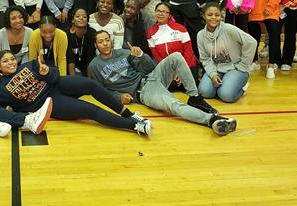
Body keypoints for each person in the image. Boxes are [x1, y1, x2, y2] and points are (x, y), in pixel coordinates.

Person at [88, 31, 237, 135]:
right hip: (144, 92)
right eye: (100, 42)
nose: (105, 44)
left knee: (176, 56)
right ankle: (212, 120)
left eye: (107, 40)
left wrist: (140, 55)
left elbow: (149, 68)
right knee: (174, 105)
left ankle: (194, 96)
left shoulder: (123, 52)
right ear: (95, 45)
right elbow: (101, 91)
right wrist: (119, 96)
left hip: (152, 77)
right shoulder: (94, 66)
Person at [0, 50, 151, 135]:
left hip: (58, 85)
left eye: (12, 58)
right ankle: (135, 126)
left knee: (90, 85)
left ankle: (129, 115)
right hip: (50, 103)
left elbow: (55, 75)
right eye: (5, 61)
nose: (11, 62)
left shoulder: (29, 65)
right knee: (90, 110)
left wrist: (48, 72)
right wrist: (8, 111)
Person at [196, 3, 256, 103]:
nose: (213, 18)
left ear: (221, 16)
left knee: (226, 95)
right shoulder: (200, 35)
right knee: (204, 92)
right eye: (210, 15)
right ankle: (226, 85)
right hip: (217, 69)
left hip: (236, 68)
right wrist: (213, 75)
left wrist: (243, 65)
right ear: (203, 16)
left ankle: (242, 87)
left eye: (217, 15)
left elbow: (251, 42)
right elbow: (205, 59)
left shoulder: (228, 29)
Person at [146, 2, 197, 79]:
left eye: (164, 12)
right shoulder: (151, 33)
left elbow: (188, 52)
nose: (160, 14)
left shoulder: (180, 28)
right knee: (171, 86)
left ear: (170, 15)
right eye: (158, 11)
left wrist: (182, 71)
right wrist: (171, 72)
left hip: (187, 66)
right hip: (168, 69)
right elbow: (157, 56)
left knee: (187, 84)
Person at [66, 8, 97, 76]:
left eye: (84, 16)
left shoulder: (92, 33)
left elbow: (90, 57)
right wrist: (73, 79)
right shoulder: (67, 34)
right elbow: (70, 58)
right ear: (72, 20)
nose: (81, 18)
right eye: (77, 16)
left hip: (87, 64)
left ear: (87, 20)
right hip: (69, 66)